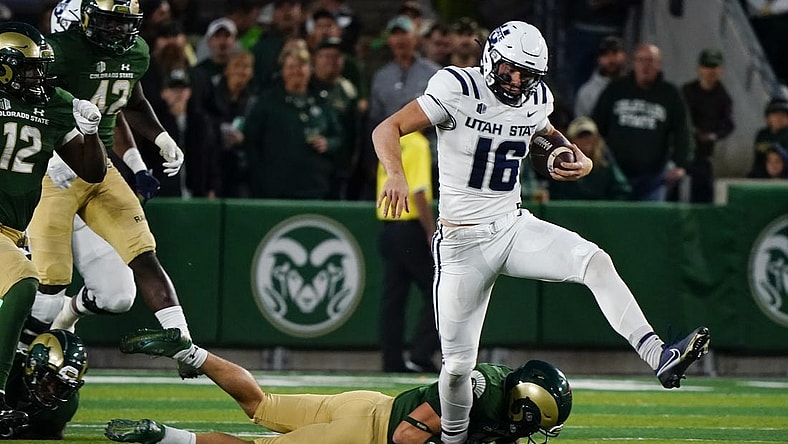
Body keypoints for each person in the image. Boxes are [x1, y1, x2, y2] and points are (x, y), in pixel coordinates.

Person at [373, 21, 710, 444]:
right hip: (461, 242)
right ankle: (454, 440)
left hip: (512, 225)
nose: (517, 82)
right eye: (511, 70)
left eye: (527, 74)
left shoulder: (535, 98)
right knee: (458, 366)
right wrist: (396, 175)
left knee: (594, 261)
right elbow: (386, 127)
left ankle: (657, 353)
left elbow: (544, 138)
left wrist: (576, 158)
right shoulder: (456, 86)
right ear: (492, 57)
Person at [26, 0, 205, 379]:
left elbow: (129, 103)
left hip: (98, 167)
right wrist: (56, 144)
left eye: (125, 24)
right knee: (47, 288)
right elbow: (28, 101)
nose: (119, 33)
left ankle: (184, 345)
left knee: (137, 265)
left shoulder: (135, 52)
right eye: (110, 23)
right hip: (51, 172)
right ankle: (14, 372)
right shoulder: (60, 52)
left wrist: (160, 137)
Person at [105, 327, 573, 444]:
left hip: (366, 403)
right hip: (363, 433)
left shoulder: (492, 383)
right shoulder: (479, 394)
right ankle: (160, 435)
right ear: (525, 407)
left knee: (260, 403)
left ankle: (190, 352)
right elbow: (406, 437)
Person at [0, 21, 107, 436]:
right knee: (25, 282)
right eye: (28, 69)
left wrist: (92, 132)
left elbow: (93, 170)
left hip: (13, 232)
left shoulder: (51, 103)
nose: (38, 77)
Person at [591, 43, 695, 201]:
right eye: (642, 60)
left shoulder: (670, 94)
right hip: (616, 174)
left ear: (659, 64)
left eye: (651, 61)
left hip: (653, 177)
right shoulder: (616, 89)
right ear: (634, 63)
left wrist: (681, 164)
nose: (646, 66)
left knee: (650, 221)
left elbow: (683, 130)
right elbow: (596, 124)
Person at [244, 44, 344, 199]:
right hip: (276, 188)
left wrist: (328, 143)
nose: (297, 71)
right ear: (282, 70)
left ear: (310, 69)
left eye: (302, 66)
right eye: (291, 66)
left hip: (315, 186)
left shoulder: (322, 102)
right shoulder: (266, 103)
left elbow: (338, 137)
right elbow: (251, 143)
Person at [377, 132, 438, 373]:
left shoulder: (389, 141)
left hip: (388, 225)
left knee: (393, 300)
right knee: (439, 291)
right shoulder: (418, 144)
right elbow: (419, 191)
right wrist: (430, 230)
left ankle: (391, 360)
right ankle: (421, 355)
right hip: (410, 228)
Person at [3, 330, 88, 439]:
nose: (52, 392)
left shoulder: (63, 408)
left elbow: (46, 434)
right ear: (32, 366)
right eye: (49, 380)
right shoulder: (8, 370)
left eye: (62, 387)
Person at [681, 49, 734, 203]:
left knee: (703, 194)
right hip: (682, 151)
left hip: (703, 154)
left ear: (720, 70)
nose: (710, 71)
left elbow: (728, 125)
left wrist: (712, 136)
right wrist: (692, 130)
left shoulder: (723, 96)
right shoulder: (687, 91)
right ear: (699, 69)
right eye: (707, 67)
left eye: (714, 67)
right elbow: (679, 117)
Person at [548, 117, 631, 201]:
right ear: (571, 140)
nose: (586, 140)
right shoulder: (561, 165)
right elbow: (556, 195)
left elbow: (622, 190)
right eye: (581, 136)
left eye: (589, 136)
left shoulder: (605, 164)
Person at [573, 35, 627, 118]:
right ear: (598, 59)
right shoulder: (587, 92)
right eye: (605, 54)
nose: (611, 59)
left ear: (624, 55)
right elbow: (582, 124)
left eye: (615, 53)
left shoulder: (636, 85)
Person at [748, 97, 788, 178]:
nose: (779, 118)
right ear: (768, 118)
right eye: (775, 114)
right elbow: (758, 160)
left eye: (783, 115)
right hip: (763, 177)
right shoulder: (762, 135)